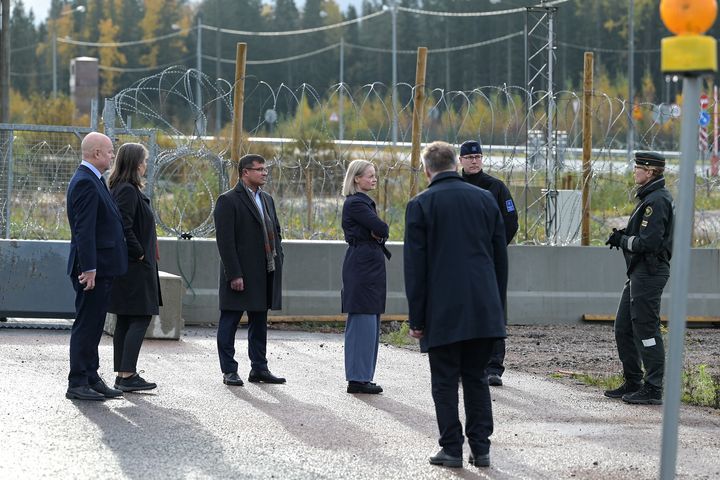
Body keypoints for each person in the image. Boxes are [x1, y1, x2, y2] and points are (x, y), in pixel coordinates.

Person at [404, 141, 508, 468]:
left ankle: (451, 448)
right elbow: (499, 260)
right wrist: (497, 310)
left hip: (443, 309)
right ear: (455, 162)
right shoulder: (486, 199)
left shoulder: (421, 204)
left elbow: (415, 268)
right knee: (476, 378)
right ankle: (481, 448)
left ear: (427, 168)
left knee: (445, 381)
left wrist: (417, 318)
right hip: (483, 307)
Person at [604, 151, 674, 405]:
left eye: (638, 168)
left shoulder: (656, 200)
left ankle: (653, 388)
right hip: (638, 272)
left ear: (650, 171)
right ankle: (633, 380)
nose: (634, 172)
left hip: (649, 272)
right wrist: (625, 235)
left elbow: (650, 242)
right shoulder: (649, 197)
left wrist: (623, 240)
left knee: (646, 328)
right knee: (623, 327)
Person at [65, 132, 128, 401]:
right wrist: (89, 267)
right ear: (97, 154)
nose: (113, 156)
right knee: (87, 325)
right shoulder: (85, 183)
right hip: (92, 269)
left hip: (101, 267)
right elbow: (84, 230)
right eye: (110, 151)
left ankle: (91, 377)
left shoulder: (94, 180)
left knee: (94, 325)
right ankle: (77, 382)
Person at [213, 154, 285, 386]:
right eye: (260, 169)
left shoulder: (267, 199)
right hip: (241, 273)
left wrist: (278, 256)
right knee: (230, 321)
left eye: (266, 169)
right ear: (245, 172)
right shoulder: (228, 200)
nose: (265, 173)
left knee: (259, 322)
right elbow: (225, 242)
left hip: (264, 271)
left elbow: (276, 231)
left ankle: (259, 368)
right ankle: (229, 370)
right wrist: (234, 274)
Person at [459, 139, 518, 387]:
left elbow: (511, 221)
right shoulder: (455, 187)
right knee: (464, 310)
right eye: (469, 158)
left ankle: (494, 366)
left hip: (491, 261)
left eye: (478, 157)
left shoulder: (496, 188)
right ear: (460, 160)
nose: (474, 161)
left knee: (493, 311)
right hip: (461, 262)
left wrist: (491, 248)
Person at [107, 143, 161, 393]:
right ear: (135, 163)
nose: (146, 165)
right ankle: (127, 374)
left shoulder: (124, 188)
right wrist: (138, 252)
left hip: (132, 267)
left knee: (127, 319)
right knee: (139, 316)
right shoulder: (127, 190)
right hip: (134, 267)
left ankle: (123, 374)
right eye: (144, 160)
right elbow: (123, 226)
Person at [341, 160, 391, 395]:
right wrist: (379, 233)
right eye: (369, 176)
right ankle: (358, 378)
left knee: (370, 321)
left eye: (375, 175)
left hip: (368, 264)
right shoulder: (357, 204)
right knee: (363, 320)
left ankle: (363, 376)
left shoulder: (362, 203)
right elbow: (382, 228)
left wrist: (378, 234)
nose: (374, 179)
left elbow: (379, 232)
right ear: (356, 179)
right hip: (363, 267)